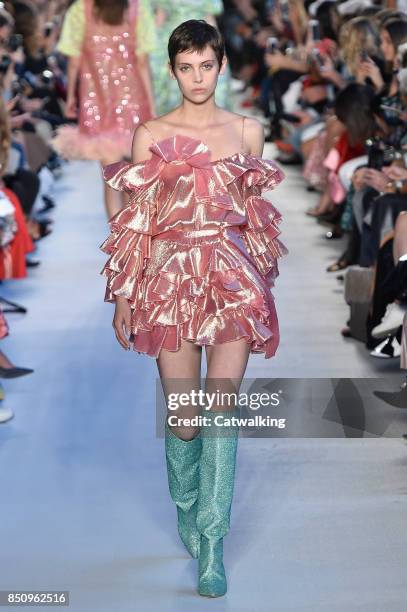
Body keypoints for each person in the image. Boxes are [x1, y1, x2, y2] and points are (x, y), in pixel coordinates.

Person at [99, 19, 288, 598]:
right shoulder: (149, 134)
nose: (198, 76)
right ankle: (188, 506)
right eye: (187, 67)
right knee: (184, 416)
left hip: (231, 279)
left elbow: (256, 222)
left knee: (222, 409)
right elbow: (135, 227)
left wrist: (265, 291)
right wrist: (125, 296)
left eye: (207, 65)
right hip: (168, 283)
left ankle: (212, 542)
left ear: (222, 66)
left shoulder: (247, 132)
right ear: (174, 70)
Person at [52, 0, 156, 218]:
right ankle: (131, 240)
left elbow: (74, 59)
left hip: (97, 101)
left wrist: (71, 96)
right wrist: (152, 105)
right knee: (132, 176)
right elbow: (143, 61)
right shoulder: (138, 7)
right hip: (133, 101)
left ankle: (118, 242)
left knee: (112, 180)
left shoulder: (81, 8)